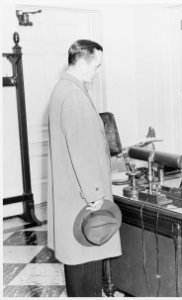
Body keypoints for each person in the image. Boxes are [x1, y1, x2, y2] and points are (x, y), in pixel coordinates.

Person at [47, 39, 121, 297]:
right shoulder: (74, 95)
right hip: (84, 201)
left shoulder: (63, 88)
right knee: (86, 266)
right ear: (82, 62)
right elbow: (82, 152)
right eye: (96, 65)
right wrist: (96, 196)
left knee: (78, 270)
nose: (98, 71)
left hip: (71, 196)